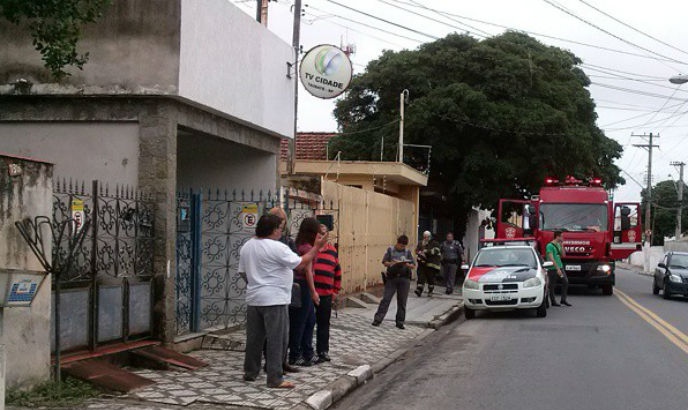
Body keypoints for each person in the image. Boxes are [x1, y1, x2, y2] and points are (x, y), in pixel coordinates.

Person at [238, 214, 327, 389]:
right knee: (276, 339)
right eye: (280, 228)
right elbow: (301, 264)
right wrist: (317, 247)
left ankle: (250, 372)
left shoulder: (247, 246)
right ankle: (274, 378)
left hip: (254, 298)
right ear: (273, 229)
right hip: (275, 299)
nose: (281, 231)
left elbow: (242, 272)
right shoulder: (277, 247)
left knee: (254, 339)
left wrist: (256, 284)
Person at [288, 217, 321, 367]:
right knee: (301, 322)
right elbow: (308, 271)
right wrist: (313, 292)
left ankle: (306, 352)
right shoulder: (306, 248)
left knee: (308, 320)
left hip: (301, 285)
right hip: (303, 286)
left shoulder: (299, 244)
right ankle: (295, 354)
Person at [312, 223, 342, 363]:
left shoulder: (332, 252)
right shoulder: (311, 249)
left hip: (325, 293)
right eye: (319, 233)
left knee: (324, 324)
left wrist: (335, 290)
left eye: (324, 233)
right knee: (307, 324)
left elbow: (337, 271)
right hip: (311, 293)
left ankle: (323, 351)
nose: (322, 236)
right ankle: (304, 350)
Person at [372, 235, 416, 329]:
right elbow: (384, 262)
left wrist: (407, 264)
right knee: (386, 299)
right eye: (400, 245)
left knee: (402, 301)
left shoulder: (407, 252)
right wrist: (392, 263)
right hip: (392, 278)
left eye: (404, 246)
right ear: (397, 243)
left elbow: (413, 265)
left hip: (404, 279)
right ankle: (378, 319)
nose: (402, 247)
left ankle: (400, 322)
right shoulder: (390, 250)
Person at [546, 230, 571, 307]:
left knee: (565, 281)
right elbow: (551, 258)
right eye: (561, 236)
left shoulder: (559, 244)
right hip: (553, 268)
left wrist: (562, 245)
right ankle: (553, 301)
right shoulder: (549, 246)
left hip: (560, 267)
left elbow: (563, 255)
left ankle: (563, 300)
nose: (562, 238)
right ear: (557, 236)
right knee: (552, 285)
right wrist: (557, 269)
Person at [414, 231, 441, 297]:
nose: (426, 238)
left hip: (431, 264)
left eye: (427, 237)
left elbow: (436, 250)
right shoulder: (421, 243)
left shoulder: (435, 243)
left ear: (430, 236)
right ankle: (419, 290)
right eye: (425, 237)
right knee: (421, 277)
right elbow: (416, 250)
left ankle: (430, 291)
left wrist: (426, 251)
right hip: (422, 263)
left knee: (430, 278)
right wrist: (419, 252)